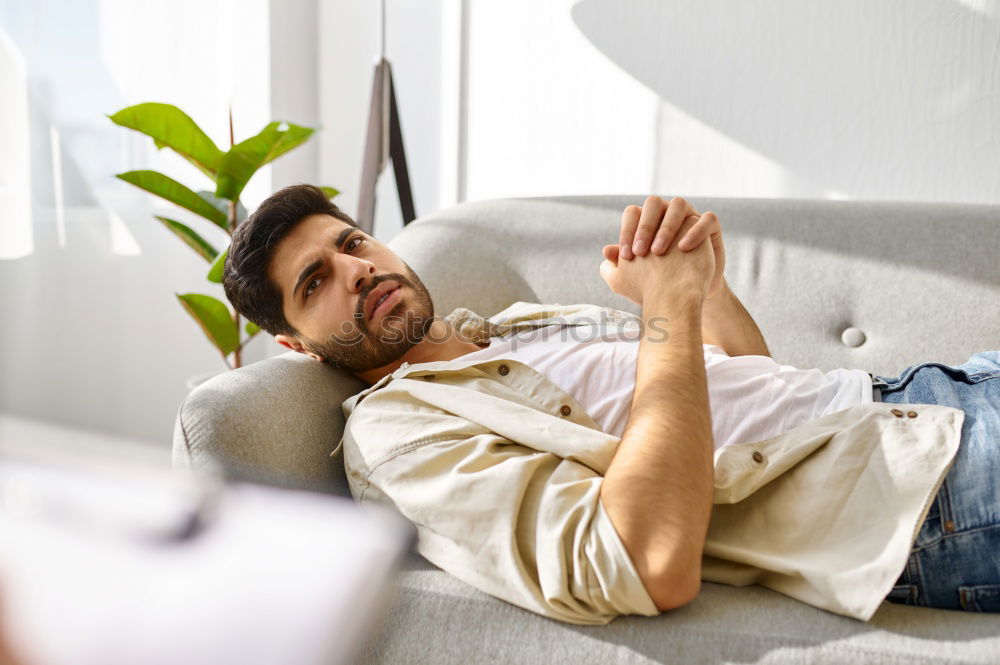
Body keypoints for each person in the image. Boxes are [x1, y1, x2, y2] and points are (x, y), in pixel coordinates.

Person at [223, 184, 999, 625]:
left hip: (922, 398)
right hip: (927, 490)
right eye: (314, 282)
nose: (353, 270)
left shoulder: (511, 327)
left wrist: (701, 290)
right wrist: (667, 306)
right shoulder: (397, 436)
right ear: (298, 345)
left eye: (352, 243)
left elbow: (749, 386)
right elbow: (643, 559)